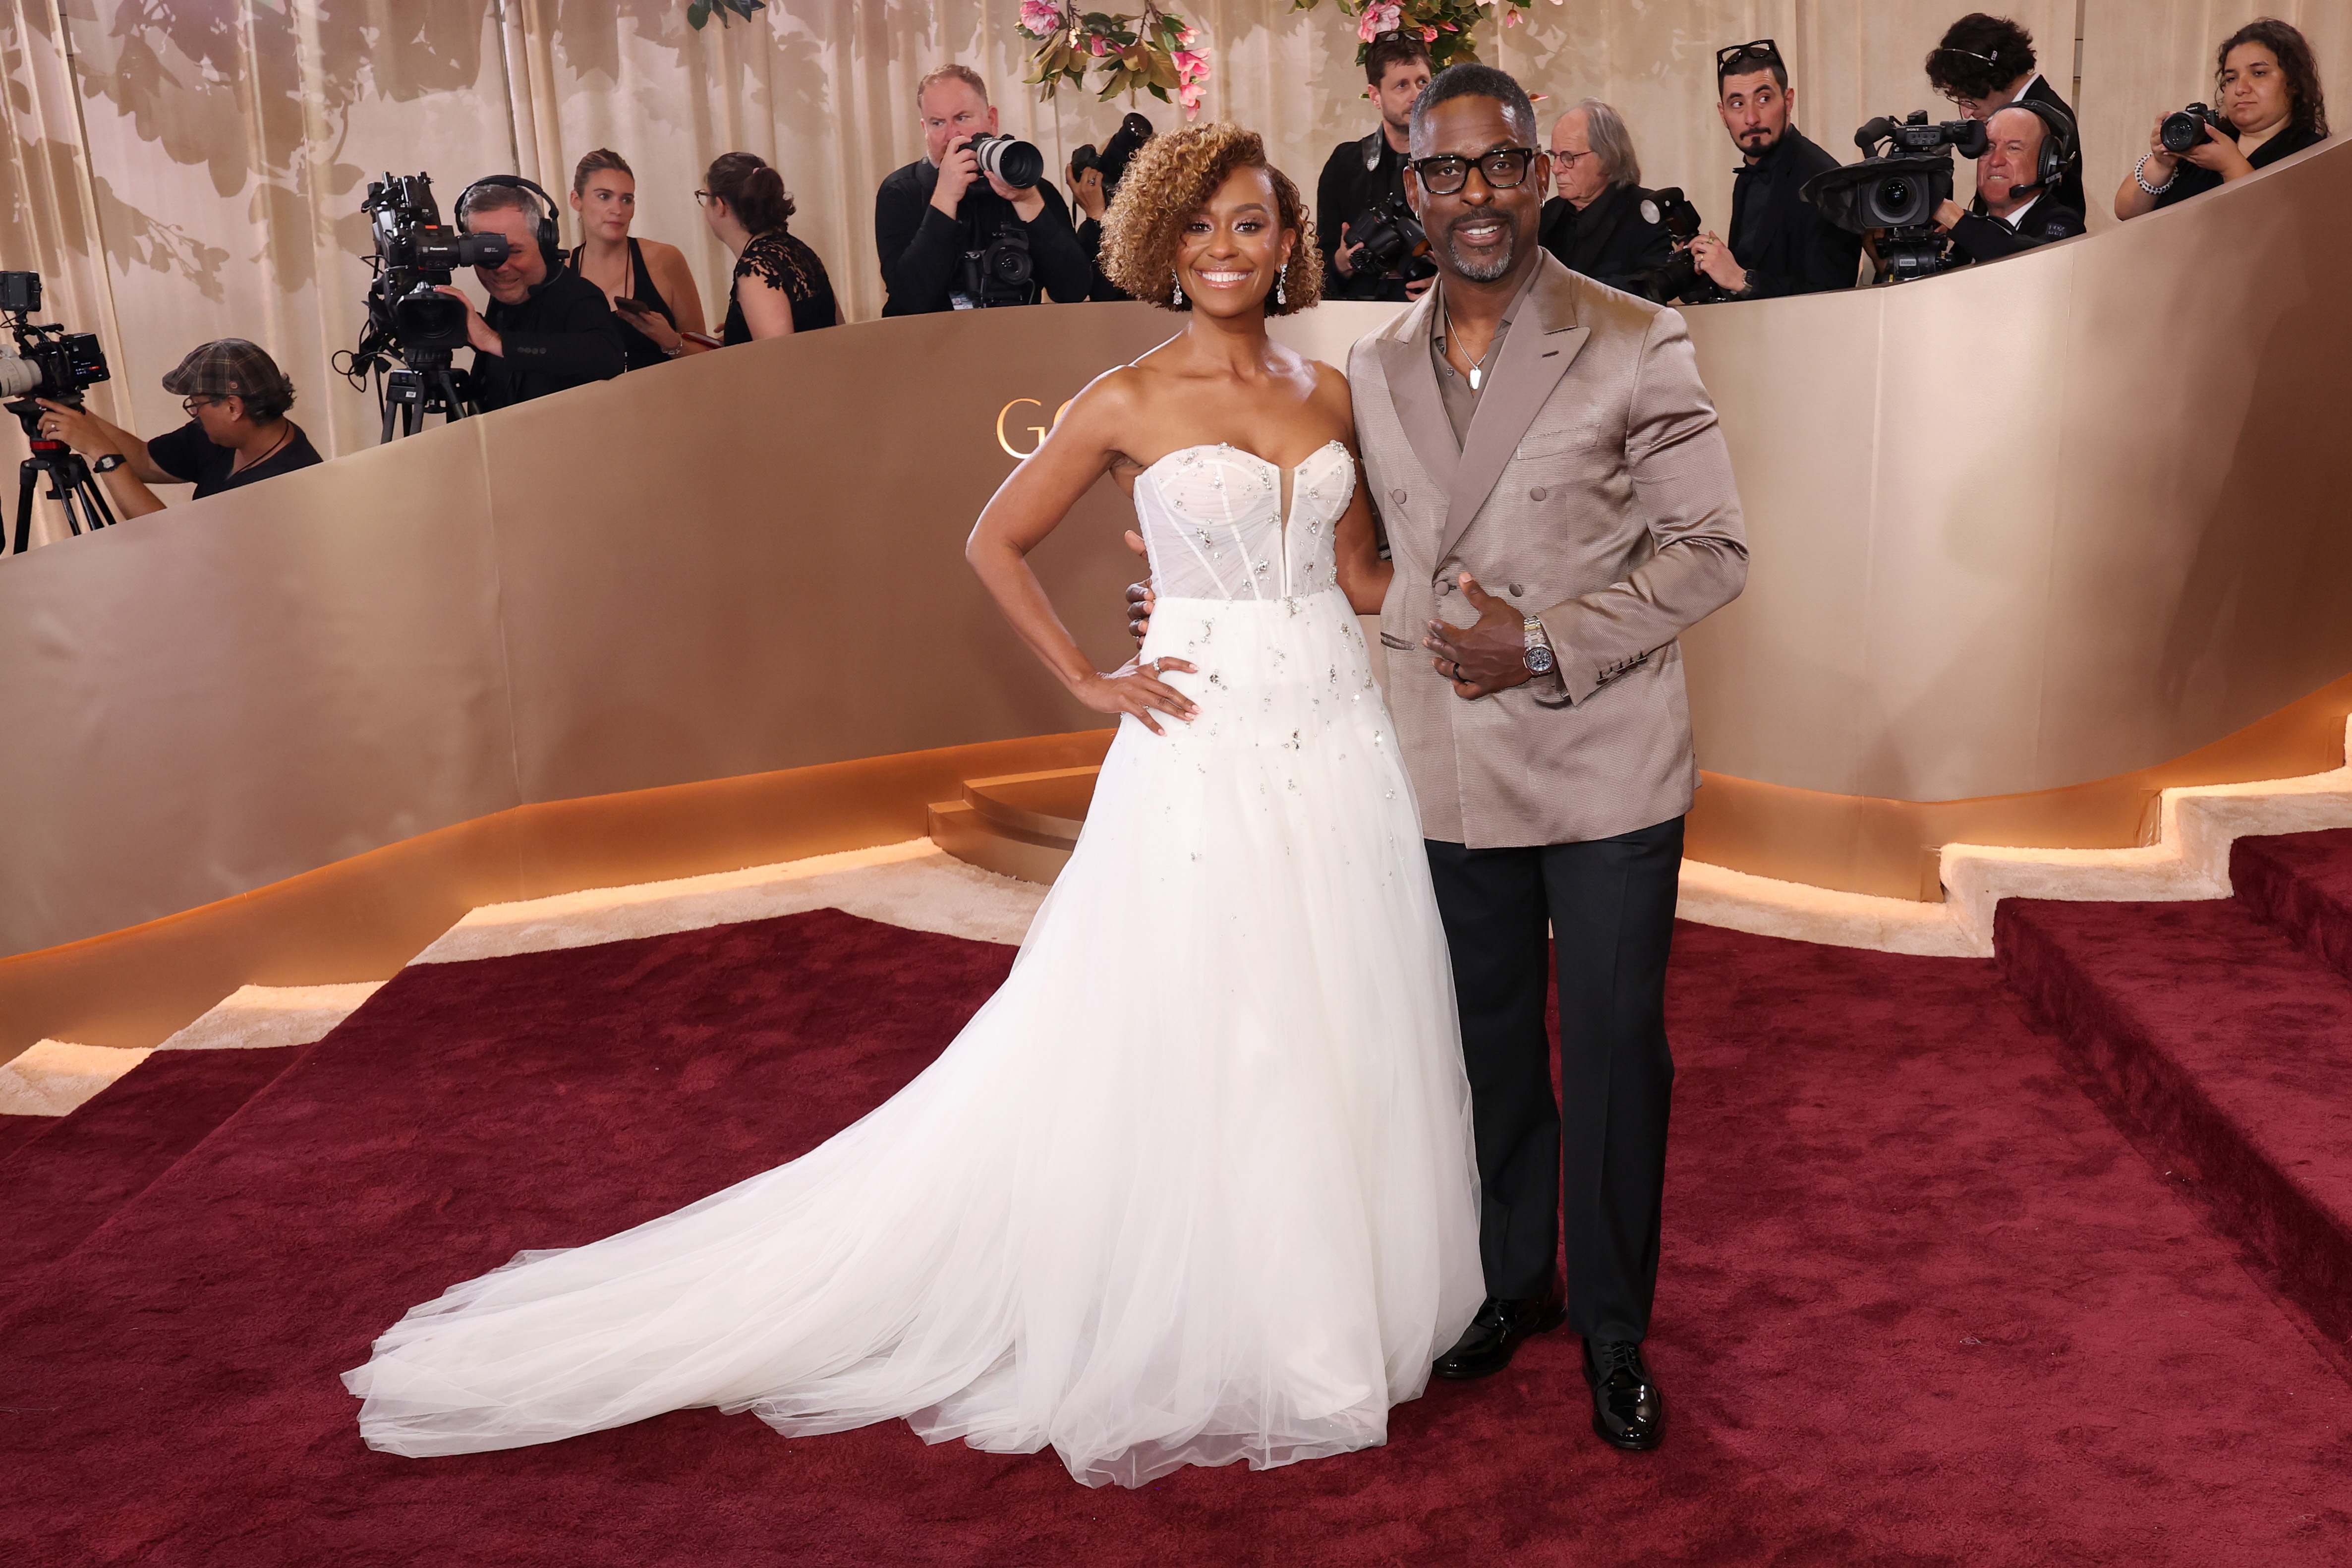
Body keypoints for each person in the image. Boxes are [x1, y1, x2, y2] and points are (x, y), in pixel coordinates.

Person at [344, 123, 1484, 1489]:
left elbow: (1358, 575)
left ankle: (1331, 1303)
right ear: (1162, 245)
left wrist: (1475, 601)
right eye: (1198, 228)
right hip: (1205, 733)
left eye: (1249, 223)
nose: (1226, 251)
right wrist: (1087, 675)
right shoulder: (1124, 398)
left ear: (1288, 234)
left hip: (1339, 734)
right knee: (1213, 1016)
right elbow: (992, 540)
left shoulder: (1338, 386)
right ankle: (1217, 1307)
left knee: (1339, 1005)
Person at [1136, 63, 1746, 1450]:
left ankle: (1612, 1328)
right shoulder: (1375, 364)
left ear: (1543, 174)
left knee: (1606, 1051)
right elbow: (1352, 555)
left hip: (1602, 762)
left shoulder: (1637, 337)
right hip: (1442, 767)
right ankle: (1513, 1282)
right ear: (1409, 189)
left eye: (1501, 167)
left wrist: (1542, 644)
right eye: (1445, 172)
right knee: (1479, 1051)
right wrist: (1188, 582)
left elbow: (1714, 552)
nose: (1475, 196)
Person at [874, 65, 1090, 314]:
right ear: (925, 129)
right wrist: (945, 198)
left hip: (1017, 342)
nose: (951, 135)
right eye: (938, 123)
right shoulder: (901, 191)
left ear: (992, 120)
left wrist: (1028, 201)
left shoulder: (1032, 188)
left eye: (962, 118)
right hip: (930, 346)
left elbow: (1072, 290)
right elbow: (909, 300)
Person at [31, 339, 320, 522]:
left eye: (197, 405)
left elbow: (172, 543)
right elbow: (146, 460)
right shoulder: (226, 438)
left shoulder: (285, 485)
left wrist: (101, 454)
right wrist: (74, 414)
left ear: (233, 407)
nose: (195, 414)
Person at [1686, 39, 1862, 300]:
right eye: (1738, 104)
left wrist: (1740, 279)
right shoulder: (1748, 174)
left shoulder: (1827, 184)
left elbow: (1831, 297)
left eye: (1764, 99)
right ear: (1723, 114)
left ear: (1788, 101)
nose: (1752, 118)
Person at [2116, 18, 2329, 222]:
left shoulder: (2314, 155)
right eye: (2231, 78)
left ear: (2293, 83)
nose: (2241, 89)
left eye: (2259, 73)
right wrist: (2161, 165)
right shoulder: (2203, 137)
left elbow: (2277, 230)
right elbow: (2125, 211)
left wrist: (2231, 166)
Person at [443, 179, 625, 410]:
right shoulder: (506, 295)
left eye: (515, 251)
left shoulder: (579, 296)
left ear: (544, 242)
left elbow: (607, 357)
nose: (501, 267)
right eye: (487, 254)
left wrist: (494, 341)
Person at [1925, 12, 2086, 218]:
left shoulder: (2042, 120)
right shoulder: (2031, 110)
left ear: (1997, 78)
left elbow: (2023, 220)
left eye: (1969, 99)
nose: (1966, 113)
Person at [562, 148, 710, 371]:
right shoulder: (560, 272)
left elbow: (706, 358)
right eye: (604, 197)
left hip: (664, 402)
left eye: (627, 199)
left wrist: (671, 342)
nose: (618, 210)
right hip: (590, 406)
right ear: (576, 200)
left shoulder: (665, 260)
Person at [1317, 33, 1436, 303]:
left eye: (1422, 82)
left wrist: (1447, 285)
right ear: (1375, 96)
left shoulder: (1452, 162)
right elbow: (1318, 263)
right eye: (1402, 86)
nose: (1416, 95)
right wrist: (1341, 263)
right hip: (1358, 312)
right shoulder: (1345, 163)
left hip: (1436, 313)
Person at [1537, 99, 1673, 294]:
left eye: (1569, 158)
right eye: (1555, 156)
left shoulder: (1648, 214)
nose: (1556, 169)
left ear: (1607, 158)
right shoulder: (1546, 217)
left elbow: (1653, 290)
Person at [1934, 101, 2084, 263]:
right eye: (1988, 148)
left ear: (2047, 163)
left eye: (2013, 148)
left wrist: (1956, 219)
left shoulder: (2065, 224)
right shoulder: (1968, 233)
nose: (1996, 161)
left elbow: (2033, 264)